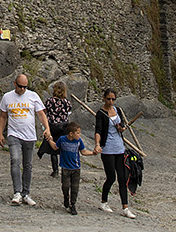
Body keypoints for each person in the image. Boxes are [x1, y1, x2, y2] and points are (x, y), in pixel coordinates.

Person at [0, 74, 49, 206]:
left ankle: (26, 193)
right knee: (15, 160)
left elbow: (41, 113)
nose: (22, 89)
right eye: (20, 86)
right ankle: (17, 192)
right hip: (14, 134)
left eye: (25, 87)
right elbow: (3, 116)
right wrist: (0, 133)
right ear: (15, 84)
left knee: (28, 165)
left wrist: (47, 128)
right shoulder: (7, 97)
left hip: (29, 136)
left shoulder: (33, 96)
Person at [93, 88, 136, 218]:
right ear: (104, 98)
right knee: (111, 177)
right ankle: (104, 201)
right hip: (107, 149)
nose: (111, 102)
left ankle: (125, 207)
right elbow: (98, 130)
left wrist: (121, 128)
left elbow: (122, 127)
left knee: (122, 178)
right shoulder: (101, 113)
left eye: (113, 99)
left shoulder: (117, 110)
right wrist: (97, 144)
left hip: (119, 148)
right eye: (108, 99)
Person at [46, 121, 96, 214]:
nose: (79, 135)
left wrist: (93, 153)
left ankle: (73, 204)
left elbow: (83, 152)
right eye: (78, 133)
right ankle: (66, 198)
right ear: (71, 134)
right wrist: (49, 140)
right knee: (65, 186)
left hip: (76, 168)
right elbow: (55, 147)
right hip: (65, 168)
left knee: (75, 187)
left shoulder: (79, 141)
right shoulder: (62, 139)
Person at [38, 81, 72, 177]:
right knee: (64, 148)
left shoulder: (49, 101)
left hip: (52, 126)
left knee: (52, 149)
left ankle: (55, 171)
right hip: (64, 126)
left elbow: (45, 112)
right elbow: (69, 111)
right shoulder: (67, 102)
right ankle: (65, 169)